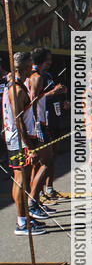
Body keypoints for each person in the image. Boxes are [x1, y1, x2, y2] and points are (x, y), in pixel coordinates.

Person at [2, 51, 47, 235]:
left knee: (22, 178)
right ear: (23, 68)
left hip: (20, 138)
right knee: (20, 180)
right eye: (30, 65)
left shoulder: (16, 85)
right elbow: (18, 120)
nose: (33, 68)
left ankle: (26, 216)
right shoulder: (17, 89)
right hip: (18, 140)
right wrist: (28, 146)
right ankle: (22, 222)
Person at [28, 48, 67, 201]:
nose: (50, 62)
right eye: (48, 59)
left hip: (53, 118)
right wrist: (52, 93)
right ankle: (35, 196)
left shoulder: (48, 75)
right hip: (41, 123)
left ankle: (48, 188)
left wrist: (62, 99)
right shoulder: (35, 77)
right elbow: (33, 100)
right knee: (40, 161)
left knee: (52, 156)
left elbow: (50, 96)